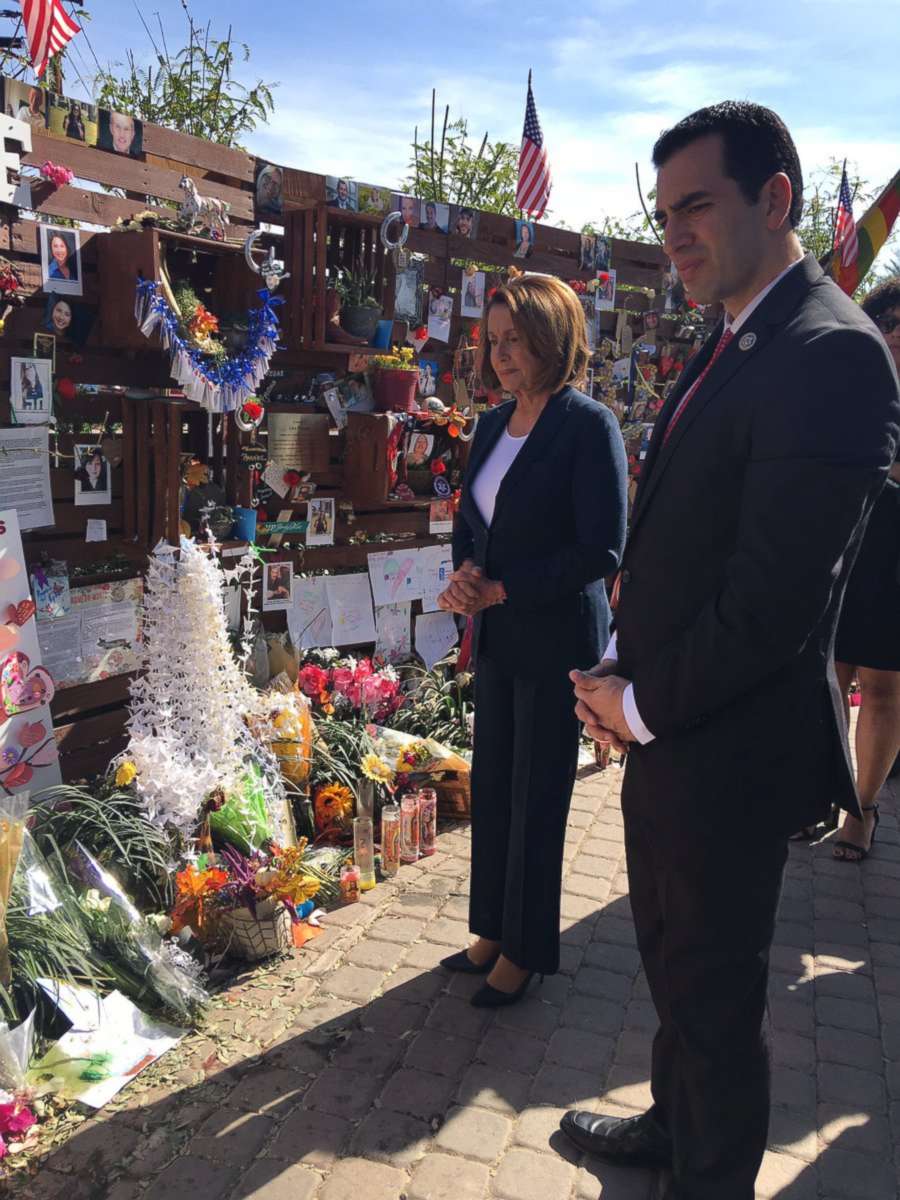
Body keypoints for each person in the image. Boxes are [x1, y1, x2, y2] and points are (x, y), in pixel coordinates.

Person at [558, 102, 900, 1200]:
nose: (675, 236)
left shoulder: (833, 351)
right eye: (664, 217)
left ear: (778, 198)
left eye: (695, 207)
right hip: (668, 723)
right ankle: (671, 1127)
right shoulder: (739, 330)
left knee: (716, 990)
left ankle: (712, 1179)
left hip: (727, 741)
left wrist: (642, 707)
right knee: (671, 965)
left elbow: (776, 602)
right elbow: (678, 538)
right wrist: (621, 667)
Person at [437, 274, 627, 1008]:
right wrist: (466, 574)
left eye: (515, 339)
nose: (501, 354)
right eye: (494, 340)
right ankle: (490, 927)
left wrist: (502, 588)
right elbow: (472, 521)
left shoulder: (587, 426)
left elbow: (603, 548)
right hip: (499, 633)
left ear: (552, 337)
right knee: (496, 784)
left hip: (555, 635)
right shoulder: (490, 425)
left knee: (539, 791)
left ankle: (525, 948)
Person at [831, 276, 900, 861]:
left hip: (895, 553)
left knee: (881, 689)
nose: (898, 335)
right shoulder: (854, 386)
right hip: (843, 541)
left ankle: (862, 807)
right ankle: (815, 793)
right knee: (828, 677)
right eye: (889, 323)